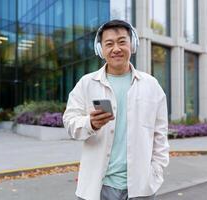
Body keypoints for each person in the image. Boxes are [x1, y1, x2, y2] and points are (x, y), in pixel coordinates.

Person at [63, 19, 169, 200]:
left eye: (122, 42)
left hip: (141, 187)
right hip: (97, 186)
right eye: (109, 44)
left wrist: (155, 172)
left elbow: (160, 135)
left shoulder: (152, 86)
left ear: (132, 45)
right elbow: (69, 122)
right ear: (101, 50)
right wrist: (90, 123)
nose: (116, 48)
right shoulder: (86, 84)